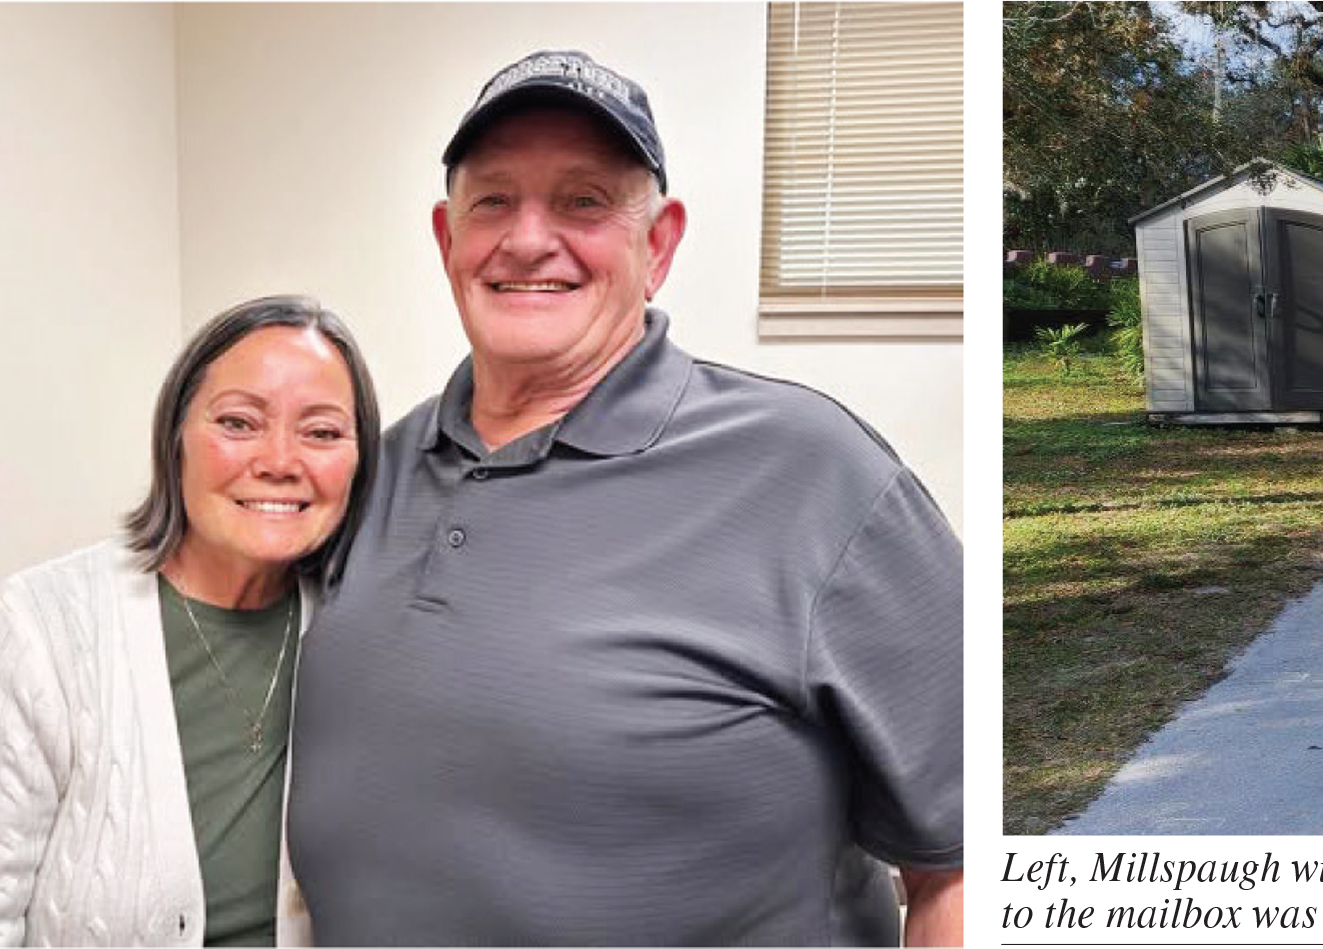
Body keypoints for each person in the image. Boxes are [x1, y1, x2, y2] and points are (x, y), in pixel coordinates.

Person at [284, 50, 963, 946]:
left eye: (583, 201)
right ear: (448, 241)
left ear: (661, 244)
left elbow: (958, 862)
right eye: (493, 200)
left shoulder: (814, 473)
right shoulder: (375, 470)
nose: (528, 239)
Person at [0, 296, 381, 945]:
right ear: (175, 436)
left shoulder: (362, 627)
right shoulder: (38, 629)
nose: (279, 459)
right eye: (239, 422)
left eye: (322, 432)